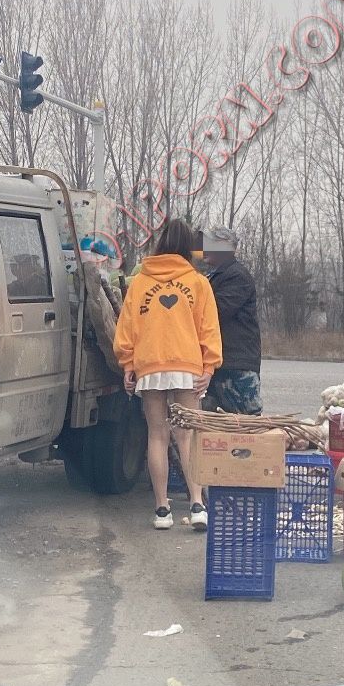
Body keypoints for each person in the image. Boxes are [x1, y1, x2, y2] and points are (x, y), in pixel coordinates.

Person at [113, 219, 222, 531]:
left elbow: (127, 327)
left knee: (157, 436)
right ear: (189, 247)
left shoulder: (140, 283)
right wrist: (209, 366)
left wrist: (128, 364)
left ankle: (162, 510)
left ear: (161, 244)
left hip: (150, 366)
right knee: (187, 435)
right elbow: (209, 328)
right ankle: (197, 504)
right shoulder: (198, 283)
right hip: (187, 365)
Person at [201, 225, 262, 416]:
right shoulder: (214, 275)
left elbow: (216, 312)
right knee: (216, 423)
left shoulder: (237, 276)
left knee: (245, 422)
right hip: (221, 363)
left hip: (237, 364)